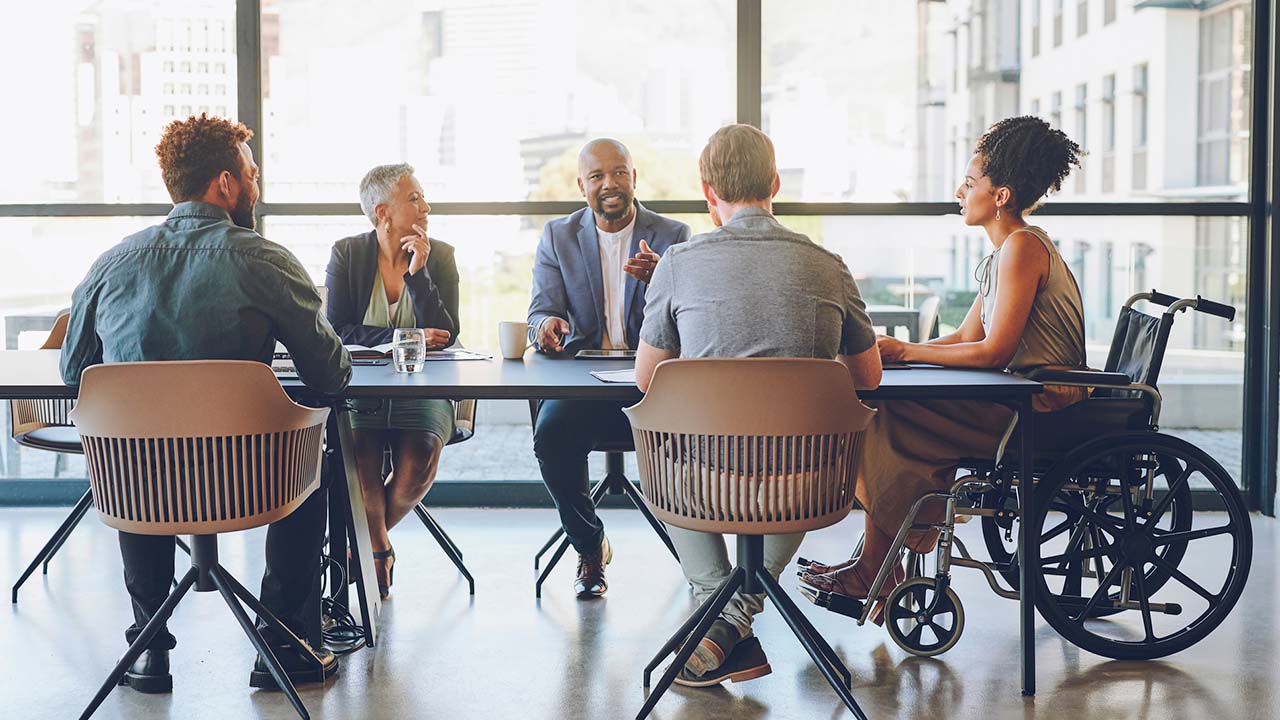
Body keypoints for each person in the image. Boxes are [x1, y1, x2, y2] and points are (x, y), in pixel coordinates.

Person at [60, 114, 351, 694]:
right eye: (251, 173)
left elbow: (75, 372)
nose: (256, 183)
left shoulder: (111, 264)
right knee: (314, 447)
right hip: (251, 483)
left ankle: (147, 647)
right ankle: (285, 647)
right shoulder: (264, 260)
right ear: (225, 183)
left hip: (138, 487)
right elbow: (331, 373)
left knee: (136, 444)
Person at [799, 115, 1088, 622]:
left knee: (884, 415)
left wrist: (907, 355)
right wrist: (900, 353)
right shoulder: (1004, 253)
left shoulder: (1022, 248)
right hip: (1018, 395)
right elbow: (962, 339)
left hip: (1038, 404)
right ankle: (880, 563)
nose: (960, 190)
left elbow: (994, 352)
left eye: (971, 182)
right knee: (887, 403)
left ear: (1000, 195)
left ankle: (876, 569)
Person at [635, 124, 882, 687]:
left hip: (700, 484)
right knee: (803, 447)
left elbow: (648, 379)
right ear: (774, 183)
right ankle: (731, 620)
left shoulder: (677, 263)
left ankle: (714, 607)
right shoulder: (829, 265)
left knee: (657, 427)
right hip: (806, 485)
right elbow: (868, 376)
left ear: (707, 191)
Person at [527, 138, 691, 597]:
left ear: (634, 178)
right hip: (585, 380)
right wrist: (547, 324)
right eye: (597, 176)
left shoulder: (673, 236)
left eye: (619, 172)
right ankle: (589, 545)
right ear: (582, 186)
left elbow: (696, 315)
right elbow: (539, 311)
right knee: (551, 435)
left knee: (696, 433)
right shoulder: (558, 236)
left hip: (654, 381)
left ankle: (699, 555)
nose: (610, 184)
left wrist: (664, 277)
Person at [325, 163, 459, 599]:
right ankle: (378, 549)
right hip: (360, 390)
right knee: (360, 464)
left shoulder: (440, 255)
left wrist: (419, 274)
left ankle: (356, 545)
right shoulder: (347, 254)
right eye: (415, 198)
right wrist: (406, 336)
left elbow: (446, 333)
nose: (427, 206)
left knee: (417, 463)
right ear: (382, 212)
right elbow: (337, 329)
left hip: (423, 389)